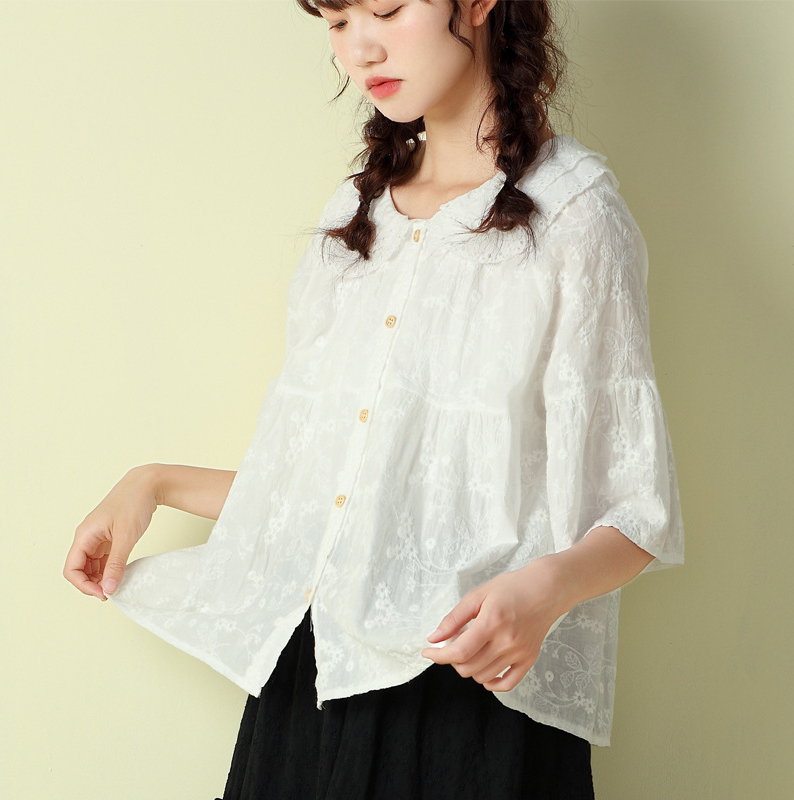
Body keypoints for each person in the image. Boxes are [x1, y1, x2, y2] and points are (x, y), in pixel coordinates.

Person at [63, 1, 684, 797]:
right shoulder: (354, 217)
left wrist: (547, 588)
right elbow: (333, 493)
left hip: (468, 701)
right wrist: (152, 482)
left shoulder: (573, 214)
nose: (359, 48)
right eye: (335, 19)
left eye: (386, 8)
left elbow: (637, 511)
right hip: (307, 686)